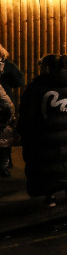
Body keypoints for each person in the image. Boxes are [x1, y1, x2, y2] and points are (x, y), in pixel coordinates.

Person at [16, 54, 67, 206]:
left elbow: (27, 112)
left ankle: (50, 196)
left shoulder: (37, 87)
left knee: (47, 166)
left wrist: (23, 131)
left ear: (47, 67)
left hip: (44, 135)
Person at [0, 43, 20, 177]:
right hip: (5, 105)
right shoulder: (7, 66)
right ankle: (4, 164)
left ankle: (4, 164)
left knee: (4, 135)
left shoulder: (8, 66)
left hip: (4, 105)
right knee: (4, 135)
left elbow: (19, 81)